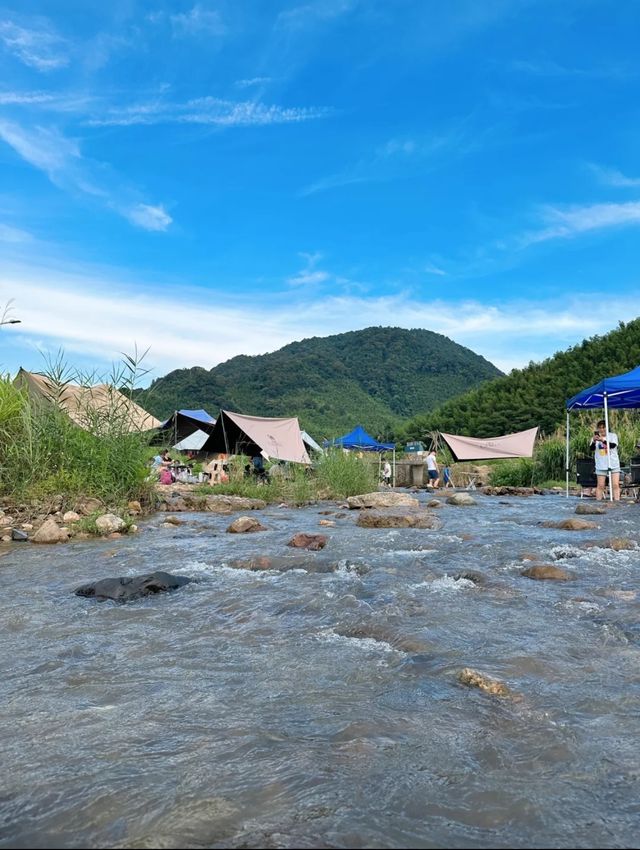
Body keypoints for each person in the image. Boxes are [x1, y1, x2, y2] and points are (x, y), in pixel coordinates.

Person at [590, 419, 620, 501]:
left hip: (613, 463)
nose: (602, 429)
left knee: (615, 485)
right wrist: (594, 441)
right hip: (601, 464)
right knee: (600, 485)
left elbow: (613, 445)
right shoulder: (595, 438)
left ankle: (617, 501)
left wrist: (603, 440)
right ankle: (598, 502)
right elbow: (591, 449)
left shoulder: (613, 436)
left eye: (604, 427)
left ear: (607, 428)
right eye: (600, 428)